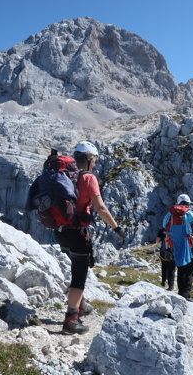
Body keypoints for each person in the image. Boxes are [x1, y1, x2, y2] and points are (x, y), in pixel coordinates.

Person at [54, 141, 126, 335]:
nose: (95, 163)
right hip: (77, 232)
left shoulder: (62, 174)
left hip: (60, 230)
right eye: (94, 159)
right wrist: (116, 227)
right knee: (79, 277)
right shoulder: (88, 178)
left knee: (75, 266)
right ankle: (70, 320)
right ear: (88, 158)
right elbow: (101, 207)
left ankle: (81, 304)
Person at [162, 194, 193, 301]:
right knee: (189, 271)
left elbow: (167, 234)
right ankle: (186, 295)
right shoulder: (191, 215)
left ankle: (180, 294)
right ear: (188, 203)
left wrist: (167, 249)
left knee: (181, 269)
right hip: (189, 246)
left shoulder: (170, 215)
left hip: (175, 246)